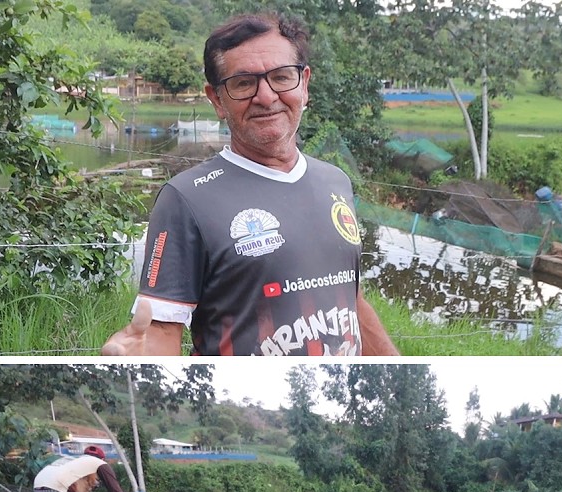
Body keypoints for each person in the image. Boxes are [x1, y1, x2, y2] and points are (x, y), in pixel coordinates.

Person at [101, 12, 399, 357]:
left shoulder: (336, 181)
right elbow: (160, 329)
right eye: (243, 83)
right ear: (216, 100)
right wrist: (138, 361)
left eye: (282, 77)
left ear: (305, 84)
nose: (266, 96)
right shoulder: (186, 198)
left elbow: (352, 298)